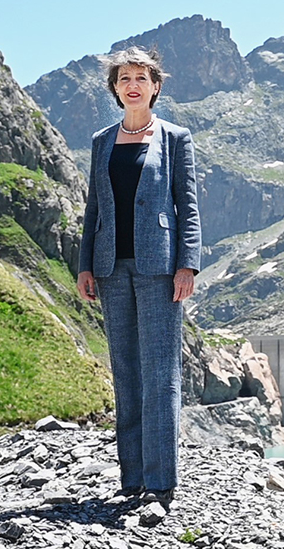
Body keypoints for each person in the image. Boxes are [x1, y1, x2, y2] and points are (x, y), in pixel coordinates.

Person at [76, 47, 201, 508]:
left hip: (160, 268)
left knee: (161, 373)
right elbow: (93, 209)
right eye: (124, 78)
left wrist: (187, 264)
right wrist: (86, 264)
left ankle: (160, 480)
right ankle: (131, 478)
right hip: (111, 268)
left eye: (141, 78)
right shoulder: (101, 141)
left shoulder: (174, 138)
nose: (132, 85)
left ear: (154, 87)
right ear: (115, 88)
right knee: (126, 371)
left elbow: (187, 206)